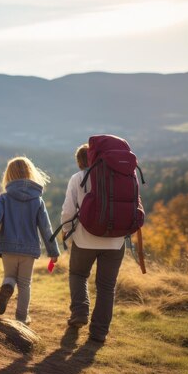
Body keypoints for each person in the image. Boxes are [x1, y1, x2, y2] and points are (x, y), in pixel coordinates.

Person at [60, 143, 126, 343]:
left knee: (78, 274)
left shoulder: (78, 178)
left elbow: (68, 212)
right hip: (115, 241)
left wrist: (66, 232)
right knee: (107, 286)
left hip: (84, 238)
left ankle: (80, 312)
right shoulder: (120, 177)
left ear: (80, 161)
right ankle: (99, 333)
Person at [0, 157, 60, 324]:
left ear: (9, 175)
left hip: (7, 248)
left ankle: (7, 285)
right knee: (24, 285)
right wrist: (53, 251)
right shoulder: (38, 200)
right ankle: (22, 318)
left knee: (9, 276)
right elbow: (46, 228)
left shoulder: (4, 198)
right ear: (30, 173)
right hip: (29, 250)